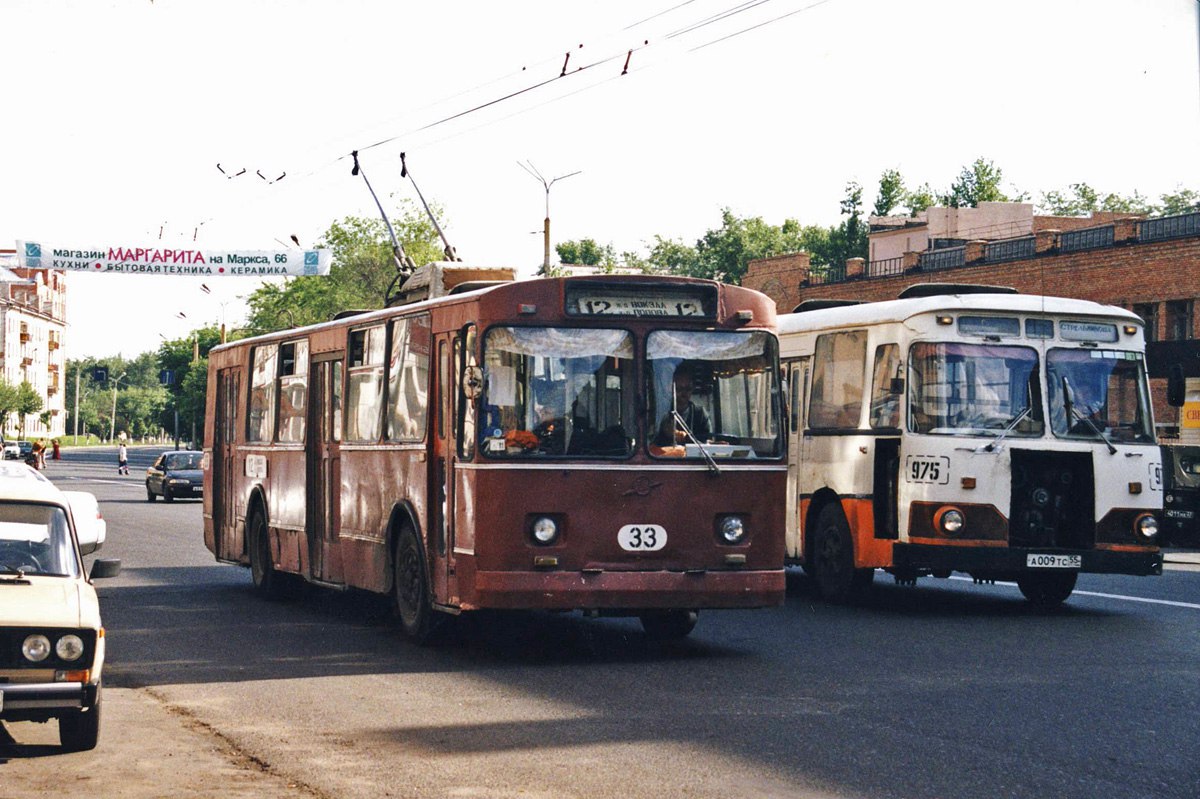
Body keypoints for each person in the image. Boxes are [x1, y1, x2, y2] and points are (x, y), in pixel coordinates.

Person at [655, 366, 712, 446]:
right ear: (670, 389)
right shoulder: (662, 412)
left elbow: (706, 444)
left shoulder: (700, 414)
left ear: (693, 388)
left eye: (688, 389)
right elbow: (651, 443)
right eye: (679, 389)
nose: (684, 393)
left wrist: (683, 437)